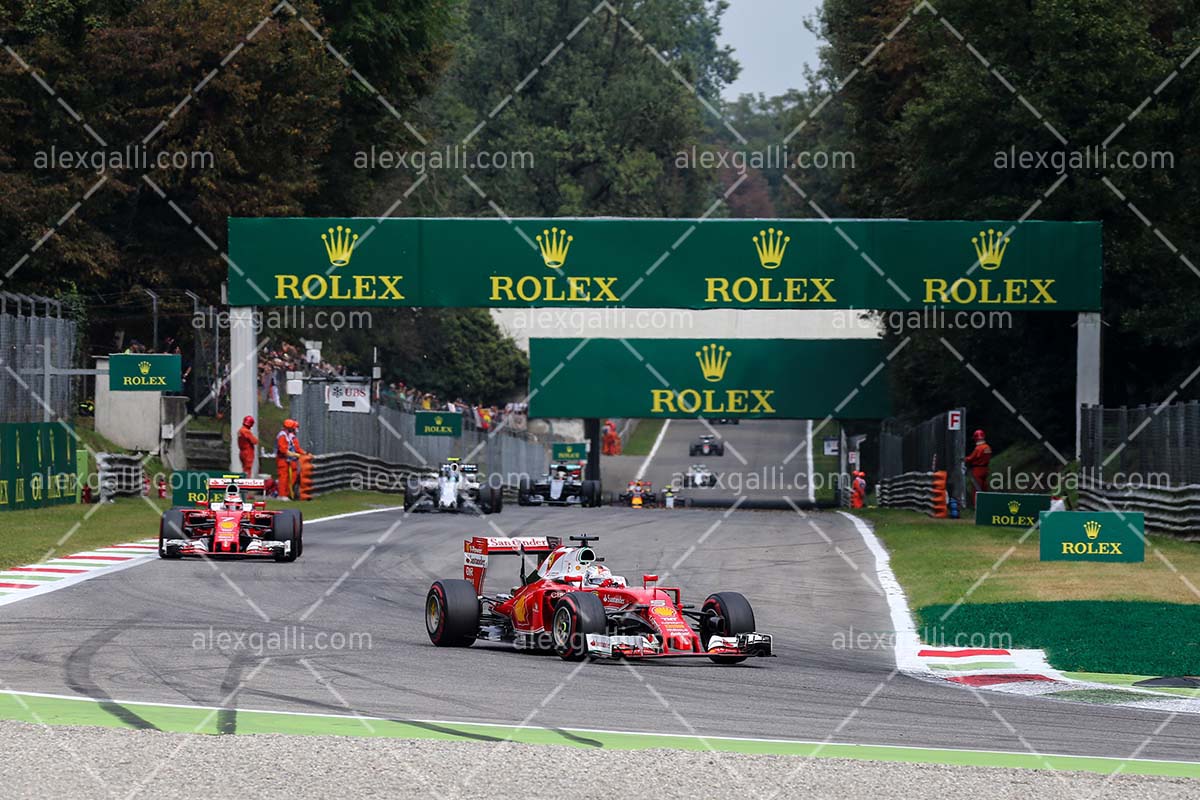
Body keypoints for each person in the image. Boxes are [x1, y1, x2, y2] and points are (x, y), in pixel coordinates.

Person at [275, 419, 306, 500]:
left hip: (287, 459)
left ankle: (287, 494)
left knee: (290, 478)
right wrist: (296, 454)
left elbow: (295, 448)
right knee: (283, 478)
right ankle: (282, 495)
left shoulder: (287, 435)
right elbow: (283, 450)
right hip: (282, 459)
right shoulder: (282, 436)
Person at [963, 429, 992, 508]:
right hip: (985, 469)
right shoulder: (987, 447)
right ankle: (986, 505)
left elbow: (971, 458)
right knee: (984, 488)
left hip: (977, 470)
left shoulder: (978, 448)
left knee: (976, 489)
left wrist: (963, 459)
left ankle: (977, 507)